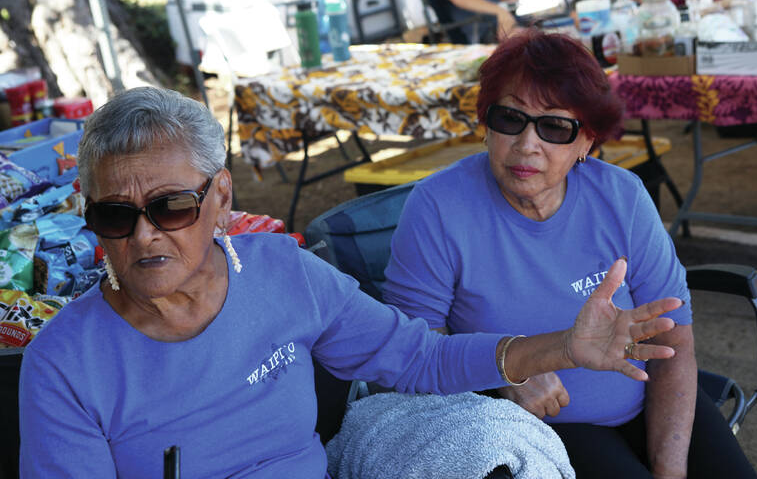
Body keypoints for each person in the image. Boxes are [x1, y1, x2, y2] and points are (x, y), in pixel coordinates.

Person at [18, 87, 681, 478]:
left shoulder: (280, 273)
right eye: (115, 215)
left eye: (170, 207)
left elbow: (419, 358)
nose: (143, 237)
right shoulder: (65, 363)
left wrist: (563, 347)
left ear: (221, 197)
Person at [383, 29, 757, 479]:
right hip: (545, 427)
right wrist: (506, 371)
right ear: (486, 124)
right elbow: (411, 351)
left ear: (587, 142)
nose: (527, 144)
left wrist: (671, 470)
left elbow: (674, 337)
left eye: (555, 127)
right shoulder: (437, 208)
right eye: (509, 119)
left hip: (652, 398)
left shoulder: (622, 196)